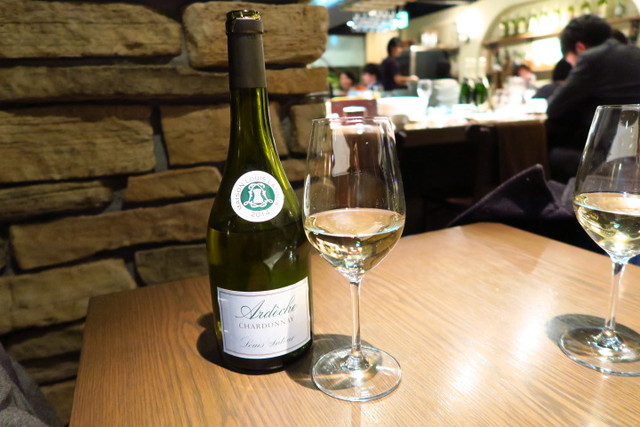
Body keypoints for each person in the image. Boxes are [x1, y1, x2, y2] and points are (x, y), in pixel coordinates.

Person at [546, 14, 640, 182]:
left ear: (580, 48)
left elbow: (553, 108)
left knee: (550, 153)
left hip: (611, 159)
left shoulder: (591, 59)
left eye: (570, 62)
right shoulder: (635, 52)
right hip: (634, 153)